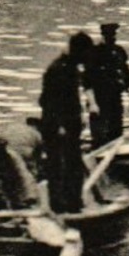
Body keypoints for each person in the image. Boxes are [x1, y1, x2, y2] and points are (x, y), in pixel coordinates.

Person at [39, 31, 94, 214]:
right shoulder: (59, 69)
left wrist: (79, 118)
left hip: (68, 125)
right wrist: (60, 125)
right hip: (58, 126)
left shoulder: (69, 67)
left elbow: (70, 99)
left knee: (72, 164)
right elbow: (48, 101)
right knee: (60, 165)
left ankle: (72, 202)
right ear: (79, 51)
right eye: (86, 53)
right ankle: (62, 206)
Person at [86, 22, 129, 147]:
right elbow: (87, 82)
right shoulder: (94, 53)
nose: (111, 39)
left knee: (116, 130)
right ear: (103, 36)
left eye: (113, 36)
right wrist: (92, 104)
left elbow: (127, 77)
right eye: (108, 36)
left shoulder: (119, 52)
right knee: (99, 134)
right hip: (99, 98)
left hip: (115, 97)